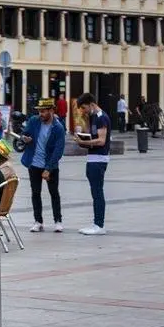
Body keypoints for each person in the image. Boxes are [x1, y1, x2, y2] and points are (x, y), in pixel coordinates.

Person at [20, 98, 66, 233]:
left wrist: (48, 169)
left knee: (54, 193)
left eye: (43, 111)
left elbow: (58, 150)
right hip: (34, 163)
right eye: (39, 111)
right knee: (35, 193)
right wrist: (25, 138)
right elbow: (25, 133)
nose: (41, 114)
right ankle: (38, 221)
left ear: (51, 110)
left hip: (50, 165)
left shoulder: (58, 128)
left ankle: (58, 221)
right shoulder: (33, 121)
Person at [74, 92, 111, 235]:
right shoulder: (93, 117)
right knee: (95, 192)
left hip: (99, 159)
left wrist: (84, 142)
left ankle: (99, 225)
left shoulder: (102, 117)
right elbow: (93, 136)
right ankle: (96, 223)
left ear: (91, 104)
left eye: (84, 108)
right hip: (93, 158)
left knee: (97, 192)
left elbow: (101, 141)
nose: (83, 111)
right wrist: (82, 136)